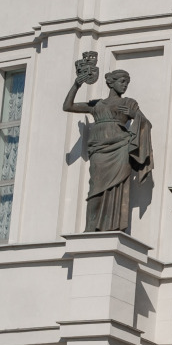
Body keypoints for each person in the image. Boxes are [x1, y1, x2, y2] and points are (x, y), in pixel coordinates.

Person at [62, 60, 152, 233]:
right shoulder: (97, 105)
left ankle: (113, 227)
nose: (125, 86)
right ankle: (90, 227)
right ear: (111, 82)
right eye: (122, 81)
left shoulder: (129, 103)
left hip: (121, 148)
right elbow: (68, 106)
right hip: (99, 150)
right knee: (95, 188)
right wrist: (76, 84)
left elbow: (145, 124)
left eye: (127, 83)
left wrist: (134, 116)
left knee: (117, 188)